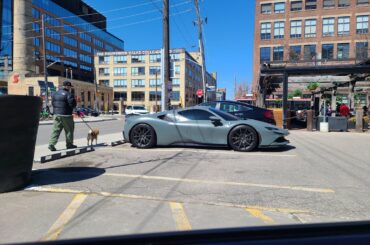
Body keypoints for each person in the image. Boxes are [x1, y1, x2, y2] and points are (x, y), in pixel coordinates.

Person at [48, 81, 77, 151]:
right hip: (66, 115)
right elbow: (72, 104)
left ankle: (51, 144)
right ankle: (69, 144)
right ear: (67, 86)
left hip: (56, 115)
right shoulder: (69, 94)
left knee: (56, 130)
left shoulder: (55, 94)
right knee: (69, 130)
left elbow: (53, 103)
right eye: (70, 86)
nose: (70, 88)